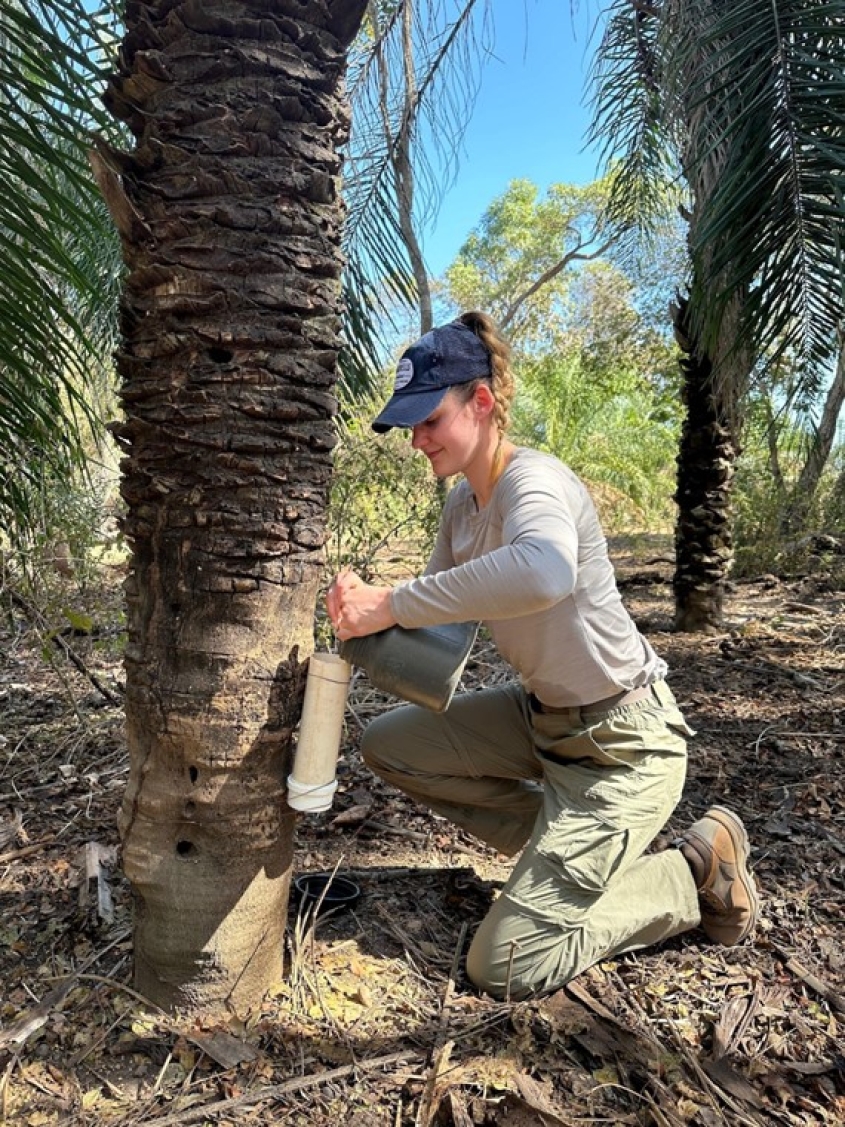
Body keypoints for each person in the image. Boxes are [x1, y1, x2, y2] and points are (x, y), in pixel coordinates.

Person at [326, 311, 759, 1001]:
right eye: (409, 425)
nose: (416, 440)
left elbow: (543, 572)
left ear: (483, 402)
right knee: (389, 745)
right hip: (544, 723)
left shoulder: (536, 484)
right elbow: (439, 643)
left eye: (428, 419)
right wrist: (355, 621)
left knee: (503, 965)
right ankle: (568, 858)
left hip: (624, 745)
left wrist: (393, 602)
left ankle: (687, 872)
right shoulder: (462, 511)